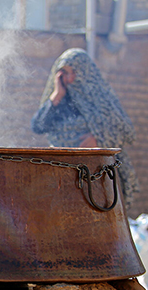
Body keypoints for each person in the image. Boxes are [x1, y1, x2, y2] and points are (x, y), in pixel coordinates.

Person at [31, 48, 139, 210]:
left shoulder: (100, 97)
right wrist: (57, 95)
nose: (70, 78)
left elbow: (126, 131)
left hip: (98, 172)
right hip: (66, 172)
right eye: (64, 74)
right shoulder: (58, 102)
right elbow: (38, 126)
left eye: (74, 72)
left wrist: (98, 139)